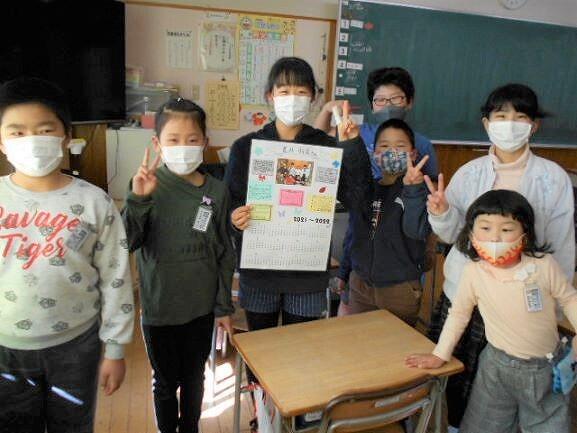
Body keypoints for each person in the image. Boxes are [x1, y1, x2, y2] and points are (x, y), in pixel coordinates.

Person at [425, 83, 575, 428]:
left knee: (515, 386)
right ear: (486, 123)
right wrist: (442, 212)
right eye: (501, 115)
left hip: (522, 303)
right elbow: (454, 234)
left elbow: (562, 246)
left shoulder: (553, 178)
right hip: (465, 292)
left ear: (533, 125)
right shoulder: (469, 173)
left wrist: (551, 309)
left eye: (520, 116)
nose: (510, 124)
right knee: (456, 379)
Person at [0, 77, 134, 433]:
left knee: (73, 426)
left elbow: (116, 278)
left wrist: (116, 350)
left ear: (65, 135)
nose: (31, 140)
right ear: (1, 141)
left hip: (76, 347)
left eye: (44, 130)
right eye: (17, 132)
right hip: (5, 349)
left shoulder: (95, 202)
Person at [224, 56, 371, 376]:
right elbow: (228, 207)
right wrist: (235, 219)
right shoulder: (246, 147)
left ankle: (292, 407)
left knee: (301, 356)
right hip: (260, 270)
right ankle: (260, 405)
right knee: (260, 354)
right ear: (270, 96)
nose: (293, 99)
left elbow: (359, 199)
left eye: (301, 92)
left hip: (307, 273)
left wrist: (352, 147)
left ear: (313, 98)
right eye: (284, 91)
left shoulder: (327, 147)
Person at [407, 189, 577, 433]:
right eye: (485, 228)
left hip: (543, 368)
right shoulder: (473, 271)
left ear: (525, 234)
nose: (495, 238)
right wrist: (440, 354)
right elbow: (459, 314)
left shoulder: (543, 265)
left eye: (506, 229)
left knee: (548, 426)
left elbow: (569, 299)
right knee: (482, 426)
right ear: (471, 233)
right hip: (494, 365)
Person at [122, 98, 234, 433]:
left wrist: (223, 306)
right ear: (157, 143)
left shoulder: (217, 191)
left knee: (195, 377)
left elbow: (223, 251)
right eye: (173, 139)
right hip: (160, 308)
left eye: (192, 139)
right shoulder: (146, 185)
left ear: (205, 142)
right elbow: (128, 241)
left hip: (200, 308)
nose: (183, 146)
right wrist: (138, 198)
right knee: (165, 382)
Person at [338, 118, 430, 325]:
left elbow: (417, 230)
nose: (392, 152)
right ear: (375, 154)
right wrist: (344, 272)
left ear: (413, 154)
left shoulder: (420, 192)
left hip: (400, 289)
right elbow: (353, 233)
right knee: (359, 340)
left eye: (400, 146)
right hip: (360, 285)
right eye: (385, 146)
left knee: (396, 344)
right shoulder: (366, 189)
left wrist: (413, 189)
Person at [314, 66, 438, 179]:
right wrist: (327, 110)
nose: (388, 105)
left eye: (396, 98)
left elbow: (433, 182)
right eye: (380, 99)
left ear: (409, 102)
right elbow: (318, 136)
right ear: (372, 106)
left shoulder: (422, 144)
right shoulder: (357, 132)